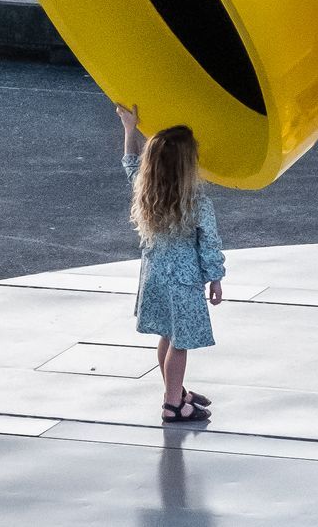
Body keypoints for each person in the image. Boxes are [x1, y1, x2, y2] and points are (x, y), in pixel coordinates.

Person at [115, 103, 225, 424]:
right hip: (184, 281)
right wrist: (216, 278)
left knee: (166, 335)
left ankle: (175, 392)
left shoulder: (146, 189)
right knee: (180, 342)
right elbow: (210, 245)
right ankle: (173, 404)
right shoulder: (196, 202)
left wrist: (129, 128)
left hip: (154, 277)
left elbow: (131, 163)